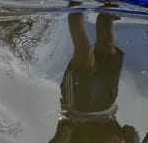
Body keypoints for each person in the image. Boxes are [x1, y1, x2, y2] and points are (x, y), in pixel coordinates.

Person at [49, 11, 139, 143]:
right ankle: (107, 9)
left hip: (80, 109)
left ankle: (76, 7)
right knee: (108, 46)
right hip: (107, 104)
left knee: (85, 54)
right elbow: (130, 130)